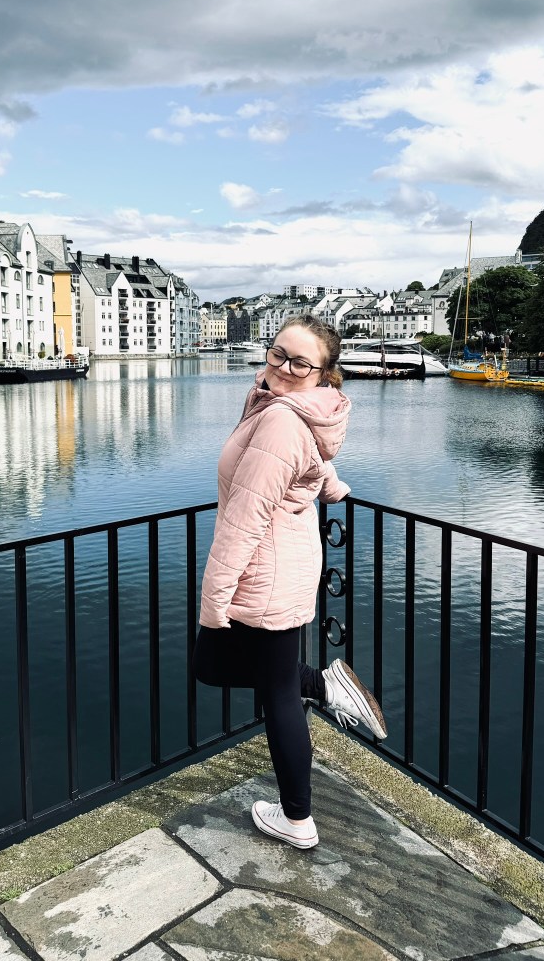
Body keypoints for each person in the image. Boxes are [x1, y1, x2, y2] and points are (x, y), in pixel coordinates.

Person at [192, 314, 386, 850]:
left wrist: (215, 598)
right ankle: (326, 686)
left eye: (301, 362)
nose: (283, 366)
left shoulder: (282, 420)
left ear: (324, 374)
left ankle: (298, 819)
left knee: (271, 691)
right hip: (284, 566)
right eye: (278, 353)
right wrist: (332, 482)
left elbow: (246, 518)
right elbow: (311, 458)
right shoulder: (285, 405)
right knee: (220, 668)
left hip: (265, 573)